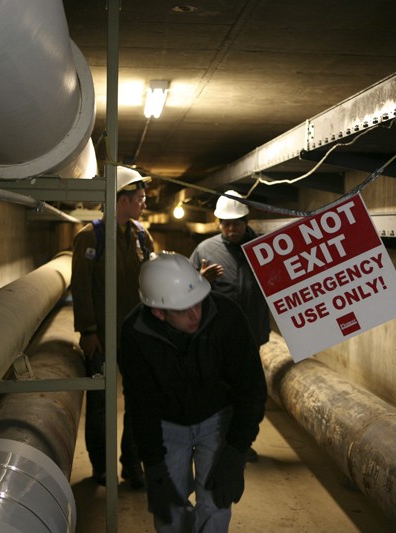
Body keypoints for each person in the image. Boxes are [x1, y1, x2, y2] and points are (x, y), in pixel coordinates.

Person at [119, 252, 267, 532]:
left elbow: (251, 389)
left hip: (216, 416)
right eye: (183, 309)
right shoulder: (135, 333)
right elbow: (141, 404)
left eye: (198, 302)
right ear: (158, 312)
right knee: (170, 514)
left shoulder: (227, 317)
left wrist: (235, 452)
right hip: (167, 422)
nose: (195, 313)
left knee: (215, 503)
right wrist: (154, 467)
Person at [71, 165, 154, 489]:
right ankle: (102, 468)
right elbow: (81, 286)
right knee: (101, 405)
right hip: (103, 336)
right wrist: (89, 330)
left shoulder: (141, 236)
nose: (143, 203)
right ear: (120, 199)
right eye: (138, 198)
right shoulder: (90, 237)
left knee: (139, 402)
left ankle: (133, 465)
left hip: (137, 335)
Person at [189, 191, 269, 462]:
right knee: (216, 393)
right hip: (217, 338)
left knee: (249, 394)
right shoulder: (205, 250)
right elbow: (185, 294)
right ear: (218, 223)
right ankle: (212, 442)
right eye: (226, 223)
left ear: (248, 221)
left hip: (252, 335)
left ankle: (240, 444)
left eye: (236, 223)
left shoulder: (264, 248)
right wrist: (201, 280)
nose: (231, 229)